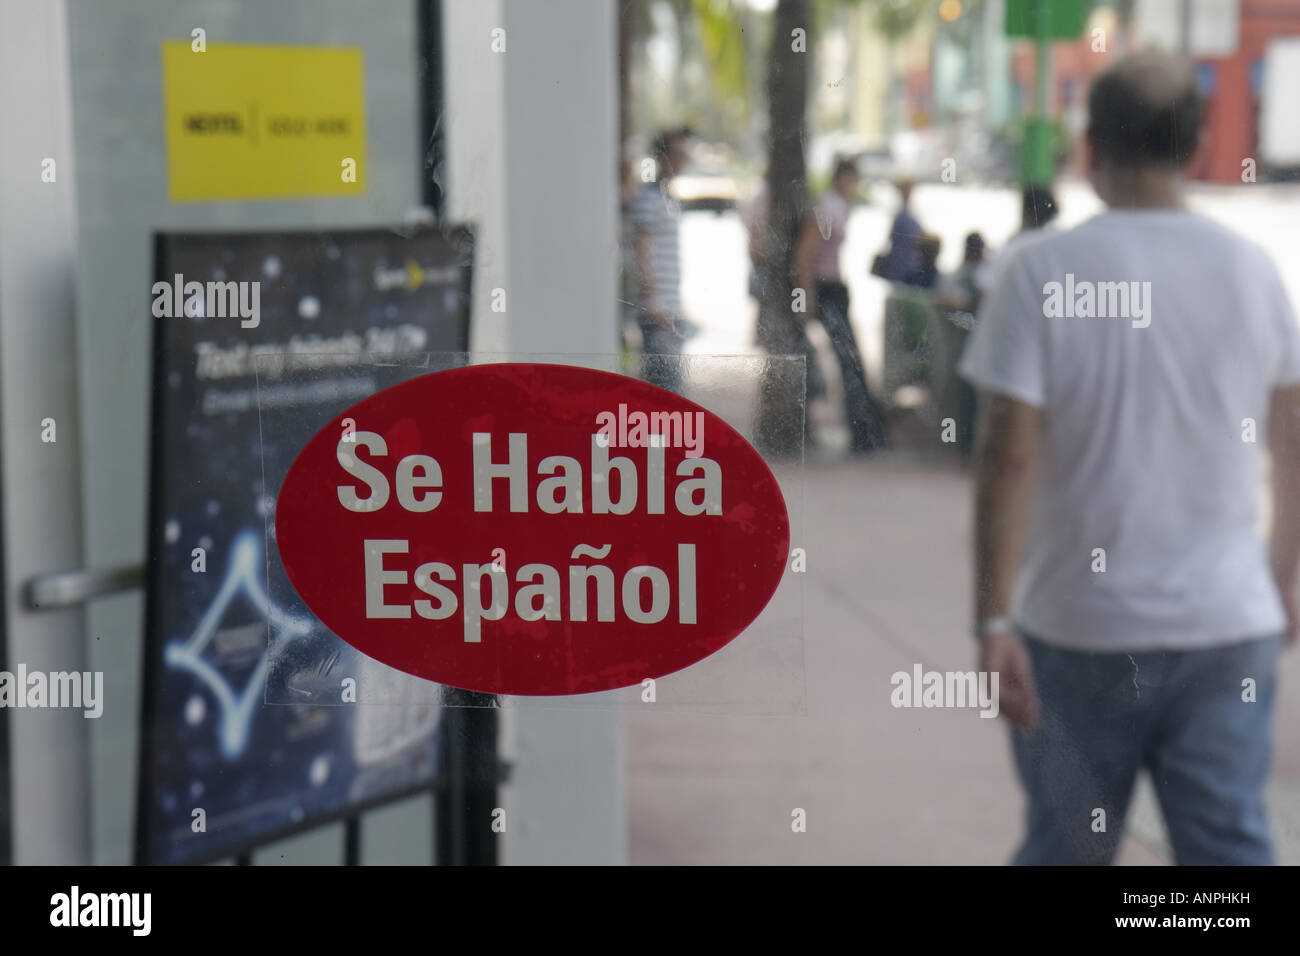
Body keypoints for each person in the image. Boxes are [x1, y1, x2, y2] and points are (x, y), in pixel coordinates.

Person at [959, 49, 1300, 865]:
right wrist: (1280, 583)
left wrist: (992, 618)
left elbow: (1006, 458)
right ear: (1189, 148)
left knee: (1067, 848)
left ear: (1090, 147)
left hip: (1079, 627)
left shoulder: (1040, 271)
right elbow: (1293, 447)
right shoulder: (1254, 272)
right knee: (1226, 853)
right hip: (1226, 626)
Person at [794, 158, 888, 456]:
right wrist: (806, 297)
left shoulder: (840, 208)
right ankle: (863, 432)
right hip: (825, 289)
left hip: (835, 287)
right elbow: (805, 255)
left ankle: (865, 431)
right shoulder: (828, 209)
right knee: (848, 358)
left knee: (850, 359)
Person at [630, 127, 692, 394]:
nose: (682, 160)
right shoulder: (649, 199)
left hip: (669, 308)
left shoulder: (667, 198)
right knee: (665, 390)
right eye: (677, 154)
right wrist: (653, 300)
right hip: (657, 310)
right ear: (662, 157)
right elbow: (643, 249)